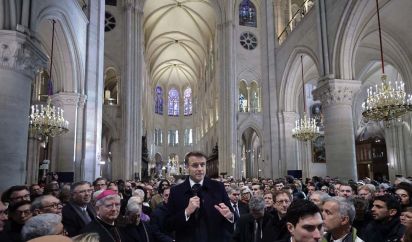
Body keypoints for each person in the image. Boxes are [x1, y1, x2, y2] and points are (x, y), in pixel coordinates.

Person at [166, 151, 234, 242]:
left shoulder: (218, 187)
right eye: (195, 165)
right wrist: (186, 212)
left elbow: (233, 218)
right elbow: (168, 224)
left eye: (203, 165)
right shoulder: (176, 191)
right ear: (186, 167)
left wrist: (229, 216)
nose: (200, 169)